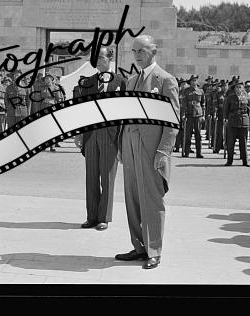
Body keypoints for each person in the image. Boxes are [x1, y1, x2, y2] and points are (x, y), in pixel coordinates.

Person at [115, 35, 179, 270]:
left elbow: (172, 119)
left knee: (151, 199)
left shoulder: (165, 80)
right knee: (132, 198)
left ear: (154, 51)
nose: (137, 55)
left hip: (151, 149)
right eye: (134, 51)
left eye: (142, 50)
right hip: (129, 145)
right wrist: (121, 146)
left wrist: (164, 151)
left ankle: (154, 250)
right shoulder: (132, 81)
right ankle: (139, 247)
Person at [74, 46, 127, 231]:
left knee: (107, 177)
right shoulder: (88, 82)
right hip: (91, 134)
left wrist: (122, 141)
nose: (96, 61)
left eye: (100, 57)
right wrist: (79, 133)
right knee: (91, 177)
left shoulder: (121, 82)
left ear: (109, 59)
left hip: (110, 135)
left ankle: (104, 217)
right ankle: (91, 216)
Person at [223, 80, 250, 166]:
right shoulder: (230, 97)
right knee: (231, 143)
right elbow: (226, 109)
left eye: (240, 87)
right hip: (233, 121)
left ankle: (245, 161)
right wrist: (225, 118)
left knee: (243, 143)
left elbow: (249, 109)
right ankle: (229, 161)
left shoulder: (246, 97)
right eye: (237, 87)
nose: (239, 89)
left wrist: (246, 118)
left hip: (243, 122)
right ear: (234, 88)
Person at [182, 75, 205, 158]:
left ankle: (199, 153)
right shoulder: (186, 91)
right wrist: (183, 114)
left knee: (198, 134)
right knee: (188, 134)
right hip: (189, 114)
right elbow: (184, 103)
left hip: (198, 114)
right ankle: (187, 152)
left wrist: (203, 115)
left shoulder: (201, 91)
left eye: (195, 80)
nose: (194, 82)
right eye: (192, 80)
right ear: (190, 82)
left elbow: (203, 104)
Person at [42, 73, 65, 152]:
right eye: (46, 79)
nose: (47, 80)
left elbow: (59, 99)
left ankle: (52, 146)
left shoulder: (56, 88)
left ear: (52, 80)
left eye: (48, 78)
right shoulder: (42, 88)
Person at [212, 80, 227, 154]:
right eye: (223, 86)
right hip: (220, 114)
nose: (224, 87)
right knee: (219, 132)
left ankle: (228, 148)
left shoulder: (230, 95)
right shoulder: (217, 95)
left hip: (228, 116)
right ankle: (216, 148)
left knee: (228, 133)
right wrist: (215, 114)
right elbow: (215, 105)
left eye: (225, 86)